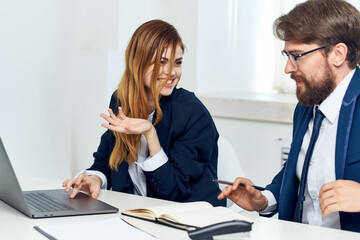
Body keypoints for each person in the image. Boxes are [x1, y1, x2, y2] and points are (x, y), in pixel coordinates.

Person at [218, 0, 360, 232]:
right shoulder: (306, 105)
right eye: (287, 55)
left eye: (297, 55)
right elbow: (298, 172)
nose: (288, 68)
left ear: (338, 54)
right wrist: (264, 200)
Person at [63, 19, 226, 207]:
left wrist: (150, 133)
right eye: (161, 62)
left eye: (177, 63)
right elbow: (107, 158)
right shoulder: (121, 100)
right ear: (138, 62)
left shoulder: (192, 112)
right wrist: (95, 179)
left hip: (191, 220)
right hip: (137, 214)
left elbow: (173, 191)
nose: (171, 72)